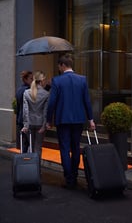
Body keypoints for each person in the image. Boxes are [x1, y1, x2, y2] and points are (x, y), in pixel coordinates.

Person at [46, 54, 95, 189]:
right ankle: (74, 175)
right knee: (75, 148)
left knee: (65, 149)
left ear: (62, 65)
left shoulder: (57, 81)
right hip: (78, 119)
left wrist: (48, 120)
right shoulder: (82, 80)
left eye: (59, 66)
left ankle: (69, 179)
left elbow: (52, 103)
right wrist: (91, 120)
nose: (59, 68)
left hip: (63, 119)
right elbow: (87, 101)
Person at [22, 71, 49, 161]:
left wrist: (26, 125)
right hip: (40, 123)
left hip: (30, 123)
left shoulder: (26, 93)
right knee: (38, 147)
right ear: (42, 81)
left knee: (31, 146)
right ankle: (37, 169)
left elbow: (26, 111)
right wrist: (44, 125)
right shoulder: (46, 94)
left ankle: (31, 167)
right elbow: (45, 112)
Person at [16, 70, 33, 152]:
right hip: (27, 119)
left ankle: (23, 161)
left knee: (24, 143)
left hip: (20, 119)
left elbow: (18, 107)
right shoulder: (27, 90)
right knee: (30, 142)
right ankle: (29, 162)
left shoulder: (19, 89)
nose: (32, 81)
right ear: (26, 79)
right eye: (31, 79)